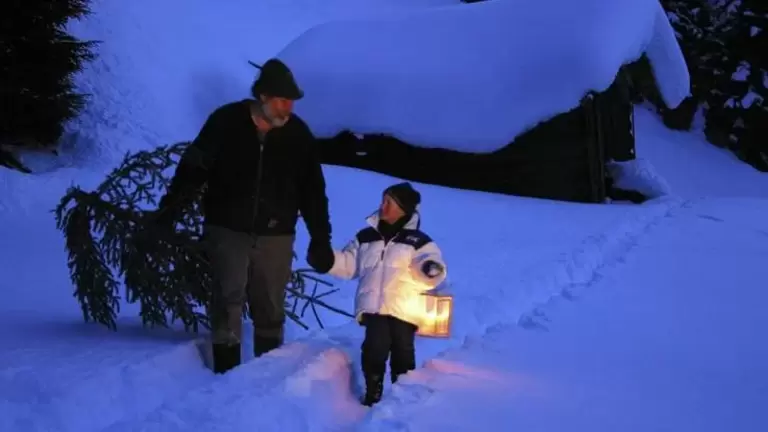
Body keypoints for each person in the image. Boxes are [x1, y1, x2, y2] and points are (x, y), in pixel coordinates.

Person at [152, 58, 336, 374]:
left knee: (270, 304)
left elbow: (313, 192)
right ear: (262, 96)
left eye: (291, 101)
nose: (287, 108)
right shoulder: (225, 122)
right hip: (227, 227)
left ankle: (265, 375)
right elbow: (193, 168)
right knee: (227, 298)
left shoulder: (299, 135)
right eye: (281, 100)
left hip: (277, 234)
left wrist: (321, 238)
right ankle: (226, 372)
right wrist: (170, 210)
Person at [326, 182, 447, 406]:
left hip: (404, 308)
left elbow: (430, 263)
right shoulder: (365, 237)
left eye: (388, 202)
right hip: (374, 307)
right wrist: (328, 260)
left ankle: (403, 397)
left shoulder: (418, 241)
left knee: (403, 352)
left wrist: (430, 268)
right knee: (374, 348)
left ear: (403, 208)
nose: (382, 205)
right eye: (383, 200)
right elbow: (350, 265)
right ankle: (374, 392)